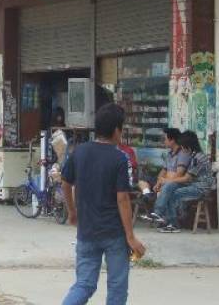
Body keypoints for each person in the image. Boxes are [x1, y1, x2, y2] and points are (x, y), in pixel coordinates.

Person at [61, 103, 145, 305]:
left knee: (84, 284)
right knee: (117, 287)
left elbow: (65, 182)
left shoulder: (79, 152)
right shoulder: (120, 158)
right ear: (116, 130)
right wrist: (130, 236)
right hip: (114, 233)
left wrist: (72, 211)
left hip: (87, 231)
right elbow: (122, 199)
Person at [152, 131, 214, 233]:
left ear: (188, 146)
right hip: (193, 185)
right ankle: (158, 213)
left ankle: (173, 224)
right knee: (170, 187)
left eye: (183, 146)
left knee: (172, 193)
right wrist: (168, 182)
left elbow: (187, 178)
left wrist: (167, 180)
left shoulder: (198, 158)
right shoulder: (194, 156)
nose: (182, 149)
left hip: (200, 189)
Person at [141, 128, 191, 222]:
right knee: (143, 178)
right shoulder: (170, 154)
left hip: (176, 183)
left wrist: (163, 181)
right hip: (165, 181)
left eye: (165, 139)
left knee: (167, 185)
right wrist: (158, 182)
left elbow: (179, 174)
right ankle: (147, 194)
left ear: (172, 140)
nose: (163, 141)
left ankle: (157, 212)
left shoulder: (183, 154)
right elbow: (163, 171)